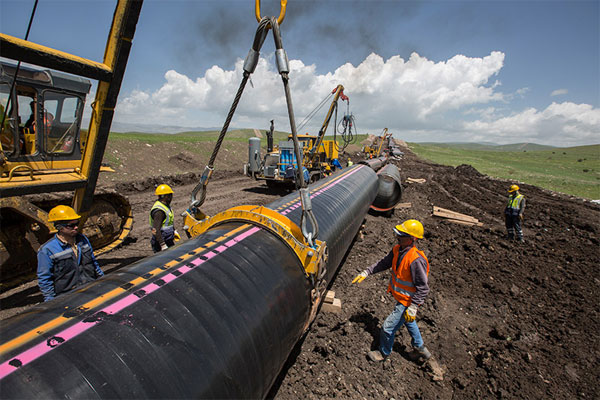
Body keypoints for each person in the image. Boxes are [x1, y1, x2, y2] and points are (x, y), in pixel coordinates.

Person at [352, 219, 431, 363]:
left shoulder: (416, 260)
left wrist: (413, 306)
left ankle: (383, 352)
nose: (398, 236)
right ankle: (420, 348)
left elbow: (423, 287)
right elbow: (384, 263)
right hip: (402, 297)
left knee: (387, 328)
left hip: (408, 301)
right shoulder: (397, 250)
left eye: (402, 235)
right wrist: (367, 272)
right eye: (398, 233)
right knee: (408, 321)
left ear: (412, 239)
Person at [37, 205, 104, 302]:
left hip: (91, 288)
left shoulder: (83, 240)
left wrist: (103, 280)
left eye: (77, 223)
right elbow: (45, 279)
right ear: (59, 227)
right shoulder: (47, 250)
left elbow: (93, 263)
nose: (76, 227)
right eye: (71, 225)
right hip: (68, 296)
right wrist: (51, 301)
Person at [150, 184, 178, 252]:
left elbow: (168, 221)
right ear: (165, 196)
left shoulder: (165, 206)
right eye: (170, 195)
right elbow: (156, 230)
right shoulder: (159, 211)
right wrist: (163, 245)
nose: (171, 197)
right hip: (161, 242)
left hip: (168, 239)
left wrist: (173, 230)